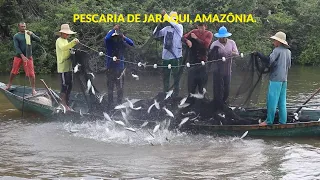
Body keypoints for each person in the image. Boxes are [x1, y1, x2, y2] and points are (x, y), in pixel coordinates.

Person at [254, 31, 291, 126]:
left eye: (274, 40)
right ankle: (283, 121)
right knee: (282, 102)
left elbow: (269, 61)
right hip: (284, 80)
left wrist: (258, 54)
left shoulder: (277, 50)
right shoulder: (288, 52)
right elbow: (289, 65)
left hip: (276, 80)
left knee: (272, 101)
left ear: (279, 42)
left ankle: (268, 121)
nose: (273, 42)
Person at [153, 10, 183, 96]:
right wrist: (159, 25)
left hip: (176, 56)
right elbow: (155, 35)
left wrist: (165, 15)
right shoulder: (166, 29)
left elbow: (173, 23)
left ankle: (176, 94)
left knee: (176, 77)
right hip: (166, 57)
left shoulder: (179, 27)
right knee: (166, 77)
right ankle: (165, 93)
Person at [6, 22, 41, 95]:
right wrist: (22, 56)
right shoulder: (16, 36)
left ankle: (33, 89)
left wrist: (32, 35)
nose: (23, 28)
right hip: (19, 56)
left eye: (24, 26)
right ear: (19, 27)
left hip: (28, 56)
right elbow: (17, 47)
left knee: (31, 74)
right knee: (14, 71)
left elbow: (39, 40)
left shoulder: (28, 34)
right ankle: (9, 84)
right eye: (22, 26)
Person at [104, 24, 134, 108]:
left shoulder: (121, 43)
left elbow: (131, 43)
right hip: (110, 68)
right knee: (110, 87)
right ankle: (110, 104)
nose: (116, 38)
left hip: (119, 69)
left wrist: (124, 37)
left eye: (117, 37)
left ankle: (119, 103)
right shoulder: (109, 43)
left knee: (119, 87)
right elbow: (106, 38)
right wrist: (113, 29)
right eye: (114, 37)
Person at [209, 26, 239, 108]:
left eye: (224, 37)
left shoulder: (232, 42)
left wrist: (231, 53)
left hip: (227, 69)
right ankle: (217, 104)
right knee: (218, 88)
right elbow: (210, 57)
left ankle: (224, 103)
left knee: (226, 88)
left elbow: (237, 53)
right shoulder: (214, 44)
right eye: (221, 37)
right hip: (217, 70)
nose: (222, 38)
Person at [182, 23, 213, 95]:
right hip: (192, 60)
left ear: (205, 26)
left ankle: (201, 96)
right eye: (199, 27)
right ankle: (191, 97)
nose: (200, 29)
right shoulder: (194, 31)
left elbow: (206, 45)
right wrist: (187, 41)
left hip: (203, 60)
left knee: (202, 82)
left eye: (202, 28)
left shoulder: (209, 34)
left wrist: (196, 38)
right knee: (191, 82)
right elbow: (183, 38)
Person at [55, 24, 79, 110]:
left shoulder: (65, 40)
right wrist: (73, 43)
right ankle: (63, 104)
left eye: (68, 34)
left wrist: (73, 46)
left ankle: (67, 103)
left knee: (70, 85)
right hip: (63, 67)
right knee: (64, 85)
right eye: (66, 33)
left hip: (69, 66)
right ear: (62, 33)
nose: (68, 35)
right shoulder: (59, 40)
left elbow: (68, 49)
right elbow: (64, 48)